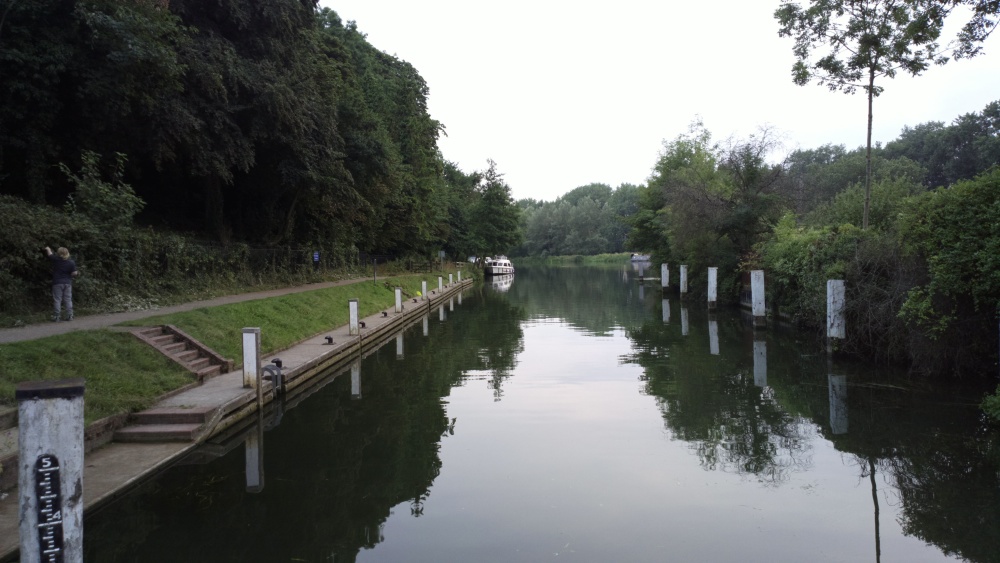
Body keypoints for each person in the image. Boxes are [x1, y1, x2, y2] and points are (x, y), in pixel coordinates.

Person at [45, 246, 78, 321]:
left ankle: (57, 316)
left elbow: (50, 255)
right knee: (68, 299)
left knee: (57, 299)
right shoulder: (71, 262)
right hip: (67, 283)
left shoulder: (56, 260)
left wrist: (48, 249)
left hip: (57, 282)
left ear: (58, 253)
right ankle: (70, 315)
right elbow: (74, 273)